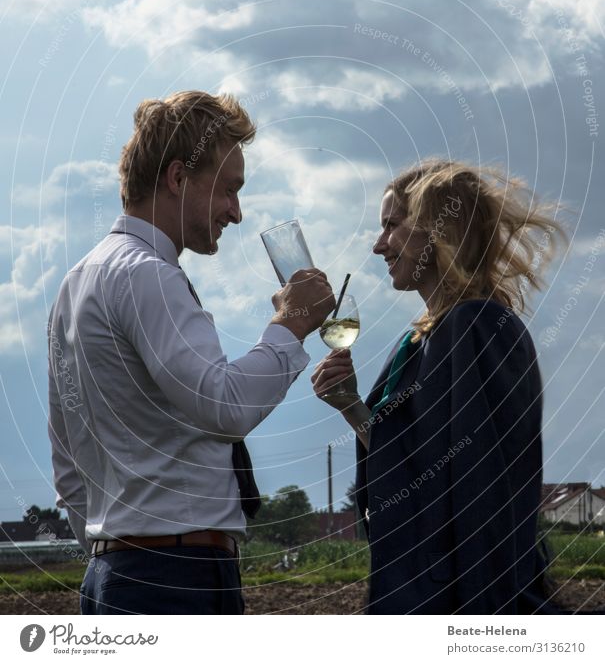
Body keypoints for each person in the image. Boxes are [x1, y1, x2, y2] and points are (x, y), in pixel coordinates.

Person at [47, 90, 334, 615]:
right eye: (229, 190)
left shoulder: (75, 283)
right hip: (177, 576)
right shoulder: (148, 275)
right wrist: (291, 324)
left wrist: (115, 546)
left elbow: (67, 459)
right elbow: (223, 402)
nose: (237, 212)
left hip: (114, 575)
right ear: (179, 179)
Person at [312, 159, 565, 614]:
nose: (378, 245)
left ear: (437, 230)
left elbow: (475, 486)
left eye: (391, 225)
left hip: (455, 597)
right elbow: (416, 459)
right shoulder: (418, 339)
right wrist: (349, 405)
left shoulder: (479, 326)